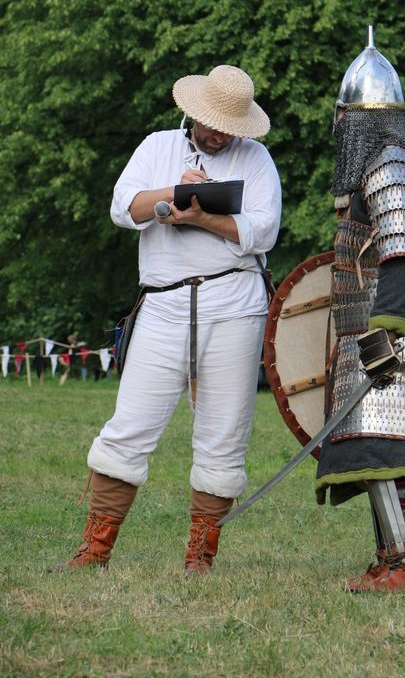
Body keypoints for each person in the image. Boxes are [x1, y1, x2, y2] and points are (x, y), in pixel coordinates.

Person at [49, 64, 282, 575]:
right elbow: (122, 207)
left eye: (230, 124)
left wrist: (201, 217)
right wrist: (173, 195)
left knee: (224, 435)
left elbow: (263, 232)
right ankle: (95, 550)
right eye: (212, 121)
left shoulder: (257, 158)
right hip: (162, 305)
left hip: (235, 306)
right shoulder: (157, 146)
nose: (219, 132)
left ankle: (200, 557)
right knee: (130, 425)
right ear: (193, 113)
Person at [315, 26, 405, 592]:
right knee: (374, 447)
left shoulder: (394, 161)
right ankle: (390, 558)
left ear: (358, 116)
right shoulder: (386, 157)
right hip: (373, 329)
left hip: (386, 330)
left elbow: (400, 253)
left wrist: (384, 332)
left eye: (346, 116)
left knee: (383, 441)